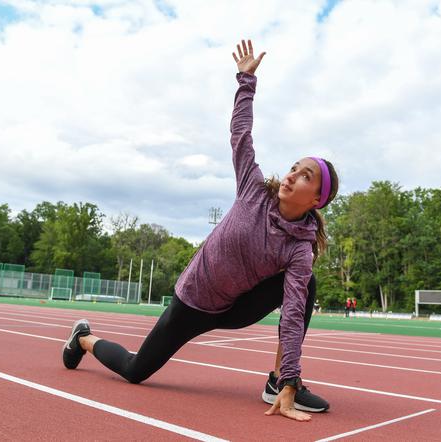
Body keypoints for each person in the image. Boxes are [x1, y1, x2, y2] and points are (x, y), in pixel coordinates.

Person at [62, 39, 339, 422]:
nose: (292, 174)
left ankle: (278, 382)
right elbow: (241, 134)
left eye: (305, 175)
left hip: (234, 306)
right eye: (294, 167)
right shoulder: (254, 189)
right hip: (193, 300)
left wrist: (291, 380)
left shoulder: (300, 250)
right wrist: (246, 81)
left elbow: (292, 315)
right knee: (136, 371)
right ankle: (83, 338)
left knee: (306, 287)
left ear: (317, 200)